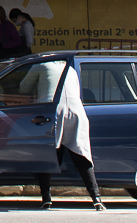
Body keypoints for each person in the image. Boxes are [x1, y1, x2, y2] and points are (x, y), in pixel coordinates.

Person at [36, 61, 102, 211]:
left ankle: (46, 198)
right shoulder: (70, 69)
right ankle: (96, 198)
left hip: (52, 110)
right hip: (76, 111)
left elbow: (23, 88)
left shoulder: (40, 65)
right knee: (81, 155)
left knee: (48, 155)